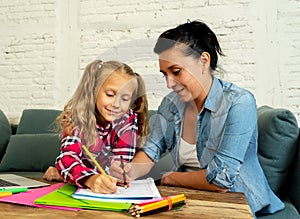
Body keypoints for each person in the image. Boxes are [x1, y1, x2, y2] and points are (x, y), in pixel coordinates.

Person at [110, 20, 284, 217]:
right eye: (164, 74)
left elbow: (220, 181)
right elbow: (152, 150)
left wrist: (170, 178)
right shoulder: (171, 104)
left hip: (236, 202)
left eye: (176, 72)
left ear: (203, 61)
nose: (169, 83)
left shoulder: (239, 102)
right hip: (187, 199)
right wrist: (130, 170)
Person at [44, 60, 149, 194]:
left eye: (125, 98)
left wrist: (118, 171)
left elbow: (120, 161)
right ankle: (66, 176)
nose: (117, 104)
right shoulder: (78, 117)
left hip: (90, 178)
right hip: (82, 178)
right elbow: (67, 158)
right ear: (94, 91)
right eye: (110, 95)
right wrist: (90, 179)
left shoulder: (127, 121)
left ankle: (64, 176)